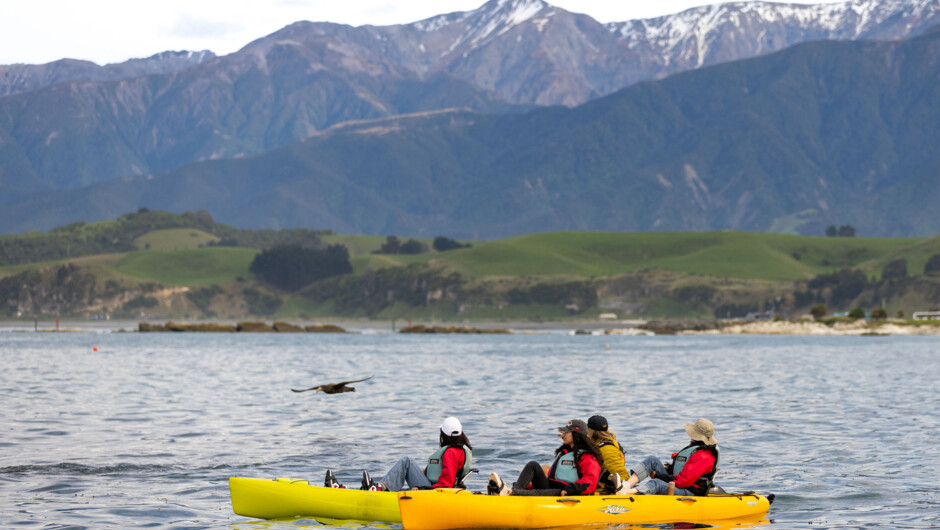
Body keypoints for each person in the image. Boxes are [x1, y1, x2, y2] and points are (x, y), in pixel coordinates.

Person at [324, 416, 473, 491]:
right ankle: (367, 489)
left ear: (444, 434)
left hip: (434, 493)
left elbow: (445, 484)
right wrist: (423, 473)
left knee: (406, 461)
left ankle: (378, 488)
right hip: (433, 490)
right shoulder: (458, 450)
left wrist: (421, 489)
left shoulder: (451, 453)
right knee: (400, 486)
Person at [487, 419, 602, 496]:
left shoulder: (587, 456)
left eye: (567, 432)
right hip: (552, 486)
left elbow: (590, 481)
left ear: (577, 435)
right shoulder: (565, 452)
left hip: (567, 491)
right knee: (533, 465)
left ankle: (511, 493)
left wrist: (570, 490)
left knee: (538, 493)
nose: (563, 434)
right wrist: (528, 486)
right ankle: (516, 490)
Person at [622, 418, 719, 496]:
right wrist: (669, 468)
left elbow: (683, 481)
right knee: (652, 460)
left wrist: (659, 476)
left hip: (690, 491)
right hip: (680, 483)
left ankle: (627, 493)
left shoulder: (704, 456)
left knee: (657, 483)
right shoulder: (695, 447)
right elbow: (683, 469)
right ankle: (626, 486)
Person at [586, 414, 630, 493]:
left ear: (590, 430)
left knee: (652, 461)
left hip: (610, 490)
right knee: (652, 462)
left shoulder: (606, 449)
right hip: (603, 489)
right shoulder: (610, 444)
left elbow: (622, 476)